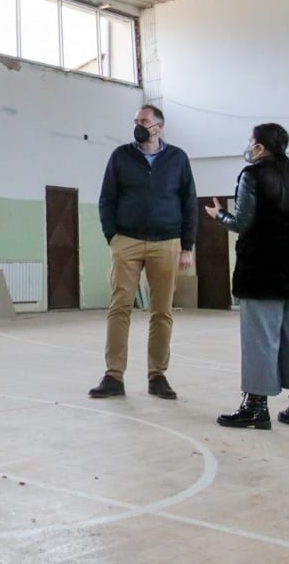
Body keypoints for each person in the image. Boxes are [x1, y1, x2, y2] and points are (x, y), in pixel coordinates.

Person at [206, 123, 289, 429]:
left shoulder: (252, 176)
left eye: (251, 141)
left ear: (260, 146)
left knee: (261, 340)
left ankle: (255, 406)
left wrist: (219, 215)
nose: (249, 146)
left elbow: (242, 223)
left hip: (262, 273)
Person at [89, 104, 197, 401]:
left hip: (167, 242)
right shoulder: (121, 156)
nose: (138, 125)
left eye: (145, 120)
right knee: (119, 307)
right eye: (136, 120)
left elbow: (189, 202)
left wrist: (187, 246)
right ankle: (113, 376)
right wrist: (112, 237)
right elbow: (107, 198)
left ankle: (157, 375)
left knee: (162, 311)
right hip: (127, 240)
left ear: (159, 126)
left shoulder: (178, 159)